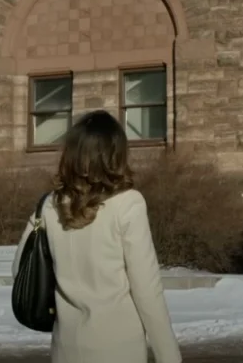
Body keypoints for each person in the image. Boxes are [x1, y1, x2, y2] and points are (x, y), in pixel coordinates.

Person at [12, 110, 182, 363]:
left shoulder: (50, 204)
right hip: (119, 349)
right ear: (115, 154)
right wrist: (169, 356)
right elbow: (147, 289)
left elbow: (20, 267)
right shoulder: (128, 203)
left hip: (65, 348)